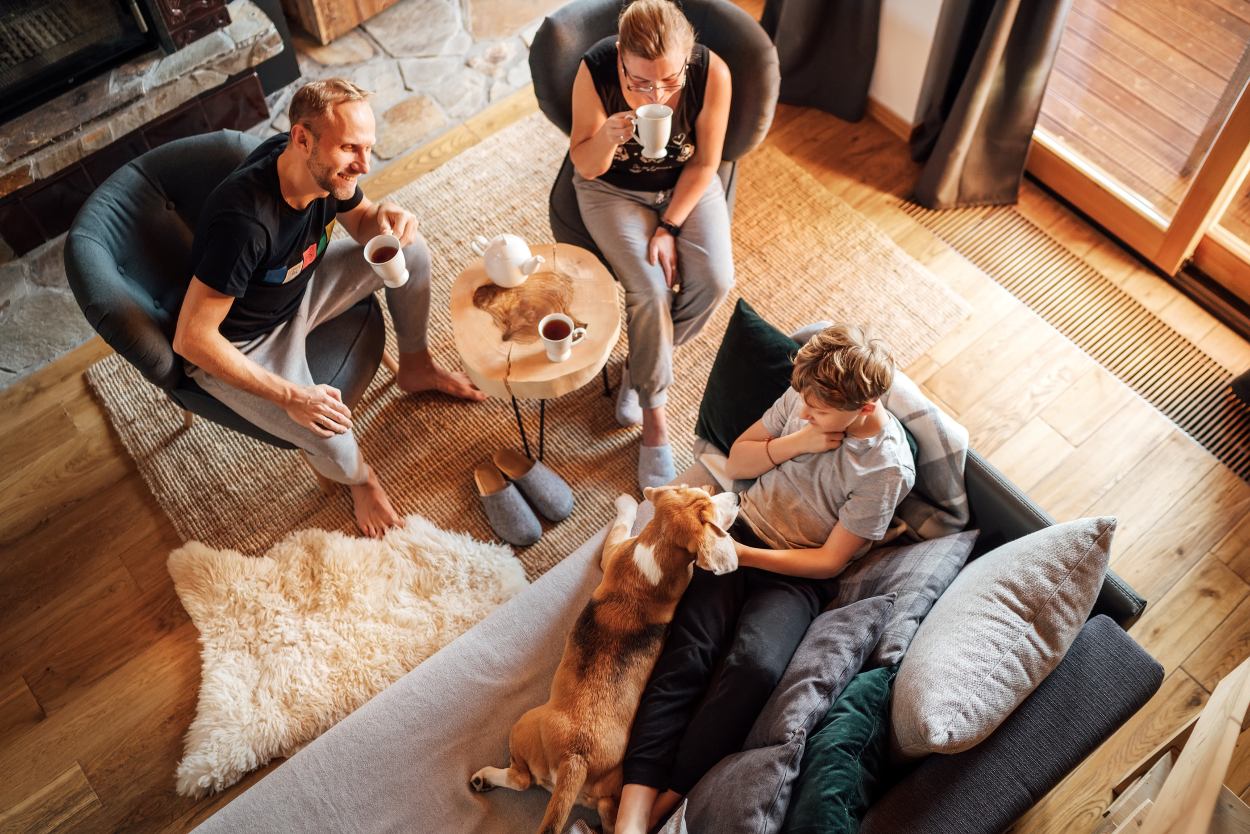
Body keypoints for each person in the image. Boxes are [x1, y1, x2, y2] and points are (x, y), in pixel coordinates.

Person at [615, 324, 917, 833]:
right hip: (744, 524)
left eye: (818, 411)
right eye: (804, 401)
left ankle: (665, 804)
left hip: (795, 575)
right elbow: (738, 460)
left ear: (864, 408)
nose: (805, 410)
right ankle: (631, 811)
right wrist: (798, 440)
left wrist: (745, 558)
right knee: (690, 650)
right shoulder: (806, 400)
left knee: (754, 669)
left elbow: (828, 562)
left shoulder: (885, 470)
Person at [173, 78, 484, 539]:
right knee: (326, 428)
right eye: (351, 149)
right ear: (302, 139)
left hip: (303, 290)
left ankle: (416, 366)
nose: (363, 164)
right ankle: (362, 481)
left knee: (411, 254)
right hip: (245, 340)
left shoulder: (326, 173)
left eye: (369, 148)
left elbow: (361, 221)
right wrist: (291, 397)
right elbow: (192, 338)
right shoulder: (245, 223)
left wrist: (386, 216)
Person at [569, 0, 734, 490]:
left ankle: (640, 362)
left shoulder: (711, 73)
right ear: (621, 56)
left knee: (715, 281)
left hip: (686, 183)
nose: (655, 95)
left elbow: (707, 163)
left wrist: (671, 227)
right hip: (610, 190)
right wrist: (608, 135)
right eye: (640, 82)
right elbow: (585, 165)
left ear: (688, 58)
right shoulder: (595, 69)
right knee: (650, 290)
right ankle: (654, 419)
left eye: (669, 81)